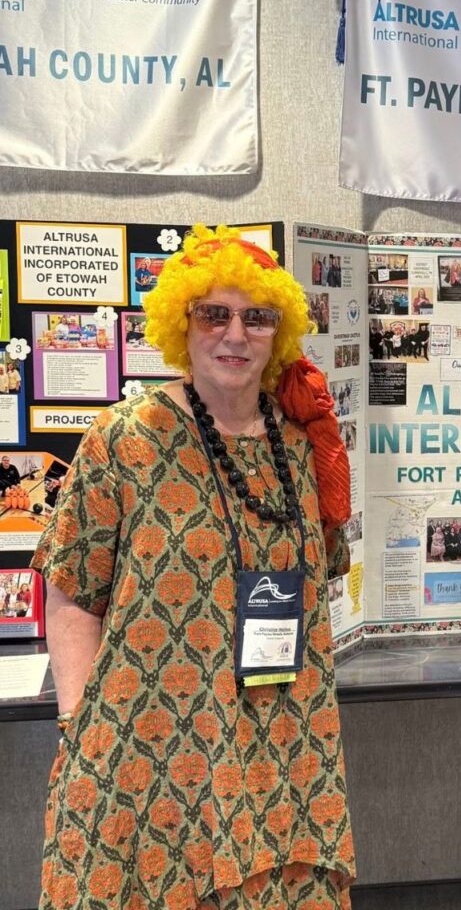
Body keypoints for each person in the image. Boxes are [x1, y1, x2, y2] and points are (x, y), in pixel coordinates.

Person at [34, 225, 356, 910]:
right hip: (144, 744)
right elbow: (71, 592)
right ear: (182, 324)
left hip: (280, 741)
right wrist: (78, 725)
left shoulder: (306, 448)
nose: (235, 334)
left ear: (278, 333)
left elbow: (320, 584)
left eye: (257, 317)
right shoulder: (124, 437)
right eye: (214, 314)